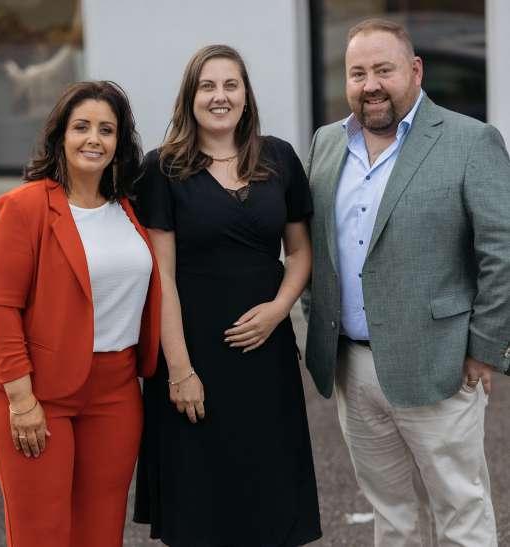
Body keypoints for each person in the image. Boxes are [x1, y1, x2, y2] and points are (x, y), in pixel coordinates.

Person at [302, 18, 510, 547]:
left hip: (441, 364)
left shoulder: (470, 141)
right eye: (357, 73)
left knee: (461, 512)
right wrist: (317, 318)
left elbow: (502, 253)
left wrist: (483, 349)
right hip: (353, 367)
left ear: (415, 71)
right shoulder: (327, 143)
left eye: (383, 70)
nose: (370, 85)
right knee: (390, 515)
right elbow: (312, 243)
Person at [133, 44, 321, 547]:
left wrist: (279, 310)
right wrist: (180, 371)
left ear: (245, 95)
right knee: (201, 500)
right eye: (207, 86)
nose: (220, 96)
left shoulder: (278, 157)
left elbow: (300, 252)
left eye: (230, 85)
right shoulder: (162, 168)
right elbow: (160, 276)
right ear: (190, 97)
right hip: (194, 354)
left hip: (266, 353)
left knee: (270, 492)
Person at [0, 80, 161, 547]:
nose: (93, 139)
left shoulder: (127, 209)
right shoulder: (23, 207)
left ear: (119, 142)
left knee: (101, 534)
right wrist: (21, 401)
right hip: (37, 392)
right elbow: (1, 308)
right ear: (60, 134)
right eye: (81, 127)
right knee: (42, 535)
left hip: (116, 392)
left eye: (106, 129)